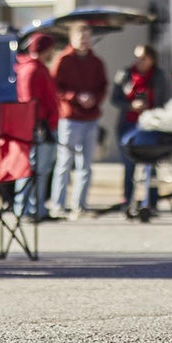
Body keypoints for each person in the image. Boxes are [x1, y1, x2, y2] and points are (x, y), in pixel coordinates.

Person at [50, 23, 108, 219]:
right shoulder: (63, 60)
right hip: (70, 118)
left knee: (86, 165)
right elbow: (56, 87)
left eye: (87, 37)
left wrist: (94, 99)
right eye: (80, 37)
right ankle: (58, 204)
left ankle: (79, 204)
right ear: (72, 39)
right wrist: (74, 97)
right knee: (65, 162)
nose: (84, 41)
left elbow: (103, 86)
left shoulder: (96, 62)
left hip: (90, 118)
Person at [111, 44, 170, 215]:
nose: (139, 61)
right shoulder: (125, 74)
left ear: (152, 59)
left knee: (151, 165)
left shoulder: (158, 76)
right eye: (137, 57)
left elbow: (164, 100)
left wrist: (150, 109)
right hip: (128, 124)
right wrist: (131, 105)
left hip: (150, 125)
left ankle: (151, 203)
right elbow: (115, 98)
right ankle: (128, 200)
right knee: (129, 165)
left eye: (143, 58)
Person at [13, 34, 59, 221]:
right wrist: (41, 123)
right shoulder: (32, 70)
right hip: (39, 126)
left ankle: (36, 207)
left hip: (43, 124)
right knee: (33, 170)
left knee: (40, 170)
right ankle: (26, 209)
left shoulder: (38, 68)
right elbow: (29, 101)